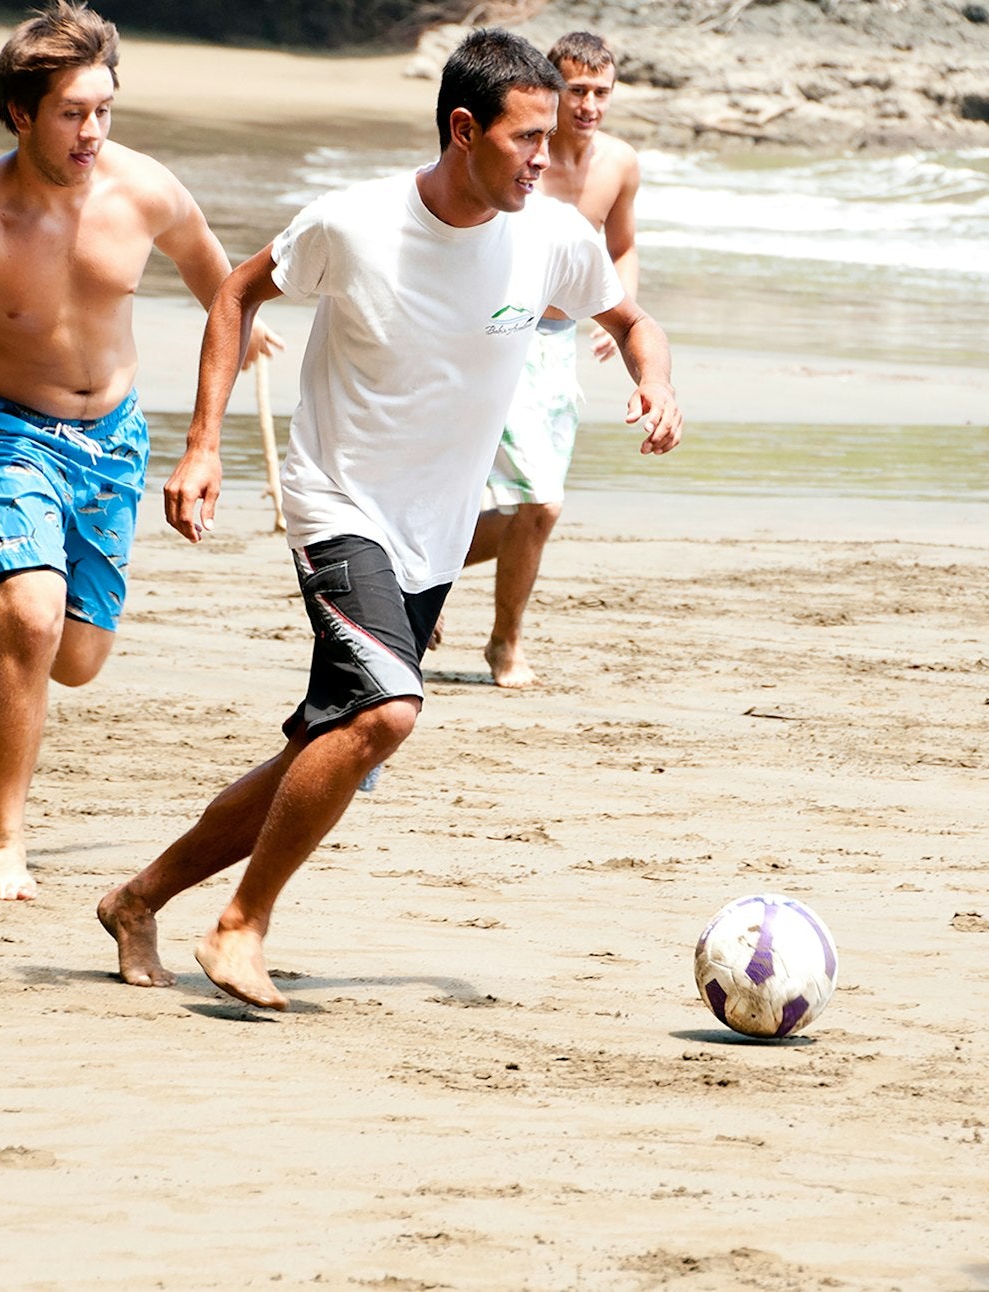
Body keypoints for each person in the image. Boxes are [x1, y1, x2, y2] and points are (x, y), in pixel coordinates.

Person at [96, 28, 682, 1005]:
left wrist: (654, 383)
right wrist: (202, 443)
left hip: (434, 531)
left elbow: (627, 320)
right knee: (387, 711)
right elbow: (238, 292)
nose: (547, 157)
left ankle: (138, 896)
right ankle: (240, 923)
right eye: (525, 138)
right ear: (463, 129)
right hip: (336, 503)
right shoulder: (355, 224)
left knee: (320, 750)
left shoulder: (551, 237)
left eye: (549, 139)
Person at [0, 0, 278, 901]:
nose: (93, 132)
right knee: (35, 620)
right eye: (72, 113)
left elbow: (223, 280)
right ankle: (5, 840)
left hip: (113, 439)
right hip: (2, 430)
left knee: (79, 657)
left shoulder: (145, 189)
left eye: (104, 109)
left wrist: (245, 339)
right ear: (21, 113)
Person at [457, 31, 643, 688]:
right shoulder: (514, 155)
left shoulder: (619, 164)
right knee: (541, 501)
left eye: (601, 92)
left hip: (557, 346)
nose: (589, 104)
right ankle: (505, 644)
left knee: (523, 507)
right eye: (577, 91)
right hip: (497, 331)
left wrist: (619, 314)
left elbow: (620, 247)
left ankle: (421, 571)